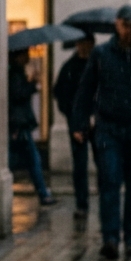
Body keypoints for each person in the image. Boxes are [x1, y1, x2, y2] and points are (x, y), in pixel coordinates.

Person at [72, 7, 131, 259]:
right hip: (108, 127)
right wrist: (80, 123)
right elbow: (86, 88)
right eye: (125, 25)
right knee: (109, 180)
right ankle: (110, 237)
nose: (129, 31)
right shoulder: (102, 54)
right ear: (117, 24)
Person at [53, 35, 94, 218]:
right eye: (81, 44)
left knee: (104, 162)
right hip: (77, 120)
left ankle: (101, 201)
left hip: (97, 119)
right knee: (80, 164)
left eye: (87, 44)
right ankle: (82, 203)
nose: (84, 47)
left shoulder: (98, 63)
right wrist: (72, 117)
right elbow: (61, 93)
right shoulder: (70, 67)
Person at [9, 49, 56, 206]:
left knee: (29, 159)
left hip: (19, 123)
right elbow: (17, 94)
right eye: (25, 54)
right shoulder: (15, 73)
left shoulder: (16, 72)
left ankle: (43, 192)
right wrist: (32, 84)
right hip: (19, 124)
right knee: (32, 159)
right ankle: (43, 193)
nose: (28, 56)